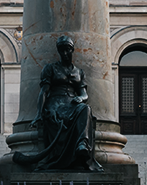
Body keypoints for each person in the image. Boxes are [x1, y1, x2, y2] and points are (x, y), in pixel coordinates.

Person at [13, 35, 102, 171]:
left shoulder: (79, 72)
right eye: (62, 50)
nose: (65, 53)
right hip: (55, 105)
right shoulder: (50, 68)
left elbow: (84, 93)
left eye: (67, 50)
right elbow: (43, 92)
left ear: (72, 51)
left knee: (86, 109)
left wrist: (81, 98)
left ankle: (82, 145)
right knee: (73, 113)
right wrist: (39, 113)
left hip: (73, 104)